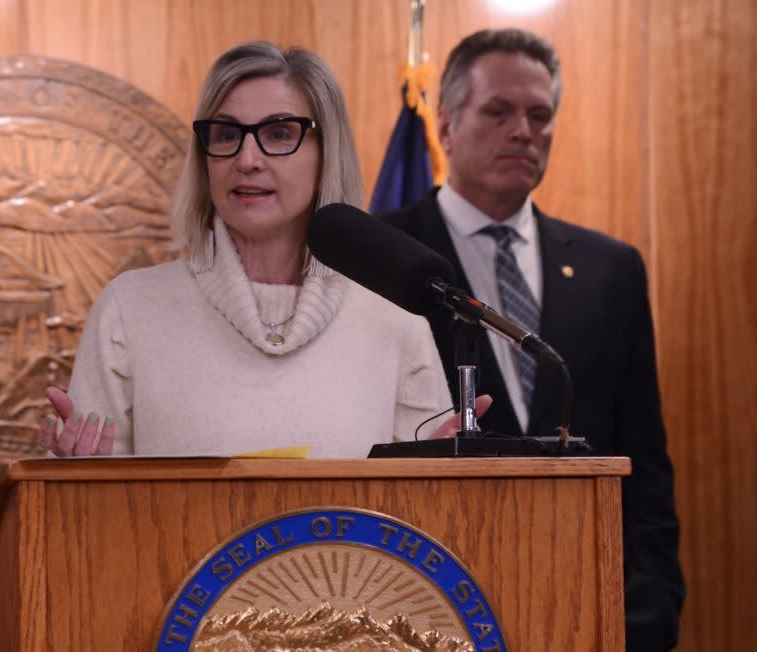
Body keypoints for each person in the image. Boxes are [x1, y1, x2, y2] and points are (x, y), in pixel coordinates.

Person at [377, 29, 684, 651]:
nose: (524, 131)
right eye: (498, 112)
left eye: (540, 116)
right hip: (428, 610)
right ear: (446, 124)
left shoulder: (610, 268)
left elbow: (643, 463)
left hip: (587, 613)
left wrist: (649, 618)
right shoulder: (383, 256)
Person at [38, 41, 482, 459]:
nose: (247, 159)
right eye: (227, 134)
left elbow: (415, 530)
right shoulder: (130, 309)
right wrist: (79, 475)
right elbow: (91, 520)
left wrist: (437, 474)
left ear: (327, 153)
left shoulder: (396, 320)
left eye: (279, 132)